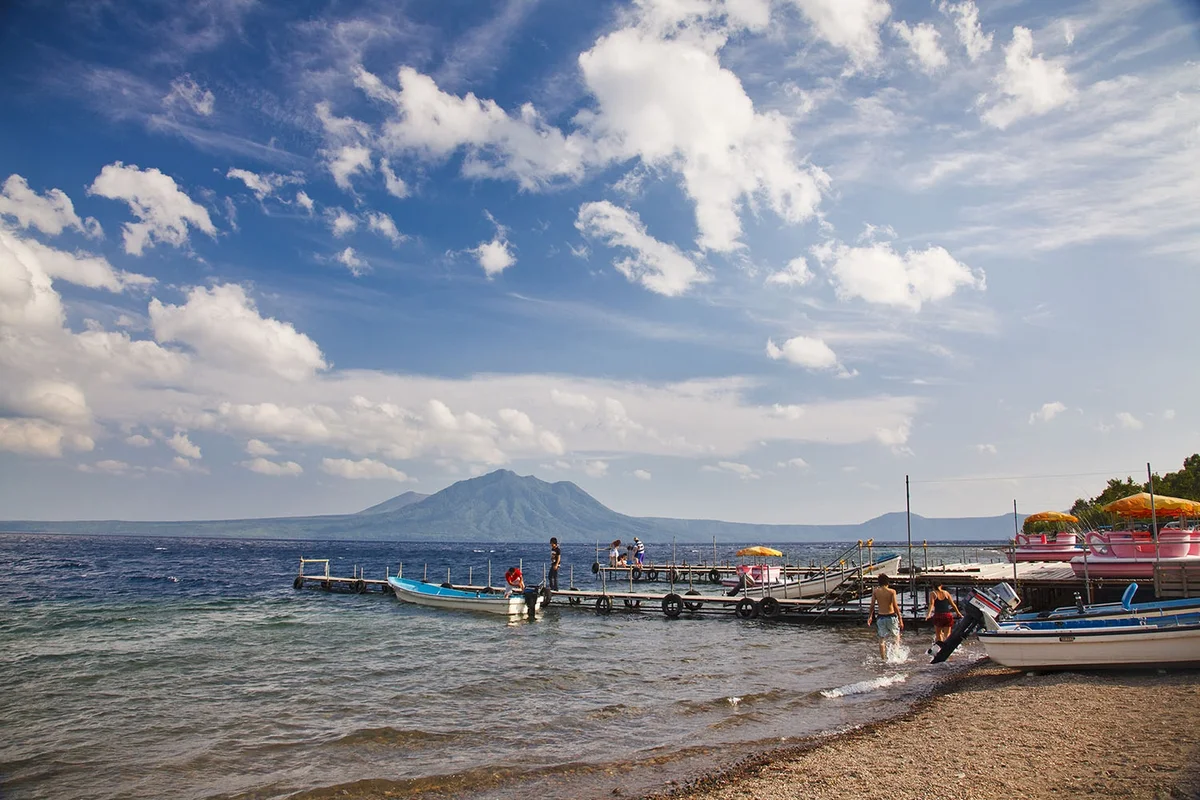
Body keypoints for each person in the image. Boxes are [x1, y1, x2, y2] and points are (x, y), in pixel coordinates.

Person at [867, 573, 903, 659]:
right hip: (891, 616)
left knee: (881, 639)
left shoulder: (875, 591)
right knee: (896, 636)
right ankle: (895, 655)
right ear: (888, 582)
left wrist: (870, 617)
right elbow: (895, 606)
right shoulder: (892, 591)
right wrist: (900, 619)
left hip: (881, 617)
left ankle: (883, 659)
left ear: (879, 583)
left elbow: (872, 605)